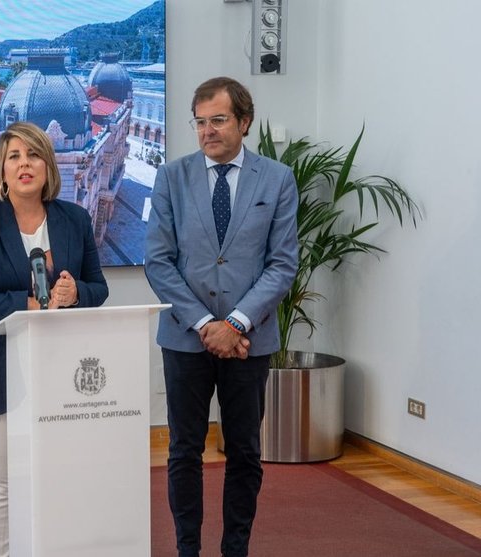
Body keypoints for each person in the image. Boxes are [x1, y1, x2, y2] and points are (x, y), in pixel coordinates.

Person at [144, 76, 299, 557]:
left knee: (245, 454)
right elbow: (158, 261)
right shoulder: (172, 177)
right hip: (185, 340)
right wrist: (205, 324)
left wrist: (234, 323)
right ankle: (187, 548)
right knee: (183, 452)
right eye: (200, 122)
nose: (208, 131)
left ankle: (236, 548)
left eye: (218, 120)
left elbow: (282, 264)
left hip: (249, 341)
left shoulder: (276, 179)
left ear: (244, 122)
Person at [0, 121, 109, 557]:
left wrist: (76, 294)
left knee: (54, 475)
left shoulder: (75, 218)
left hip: (59, 369)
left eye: (33, 155)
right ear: (2, 170)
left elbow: (99, 288)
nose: (24, 164)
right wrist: (27, 304)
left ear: (48, 166)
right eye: (14, 156)